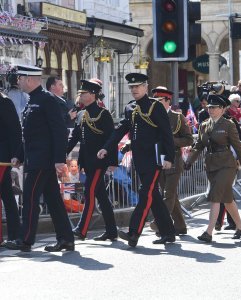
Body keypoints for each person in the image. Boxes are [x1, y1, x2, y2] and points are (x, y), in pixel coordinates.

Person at [97, 73, 176, 247]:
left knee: (145, 194)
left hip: (154, 159)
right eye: (131, 87)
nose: (134, 90)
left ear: (146, 87)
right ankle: (169, 232)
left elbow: (166, 133)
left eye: (138, 86)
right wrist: (106, 147)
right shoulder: (130, 108)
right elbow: (120, 130)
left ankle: (134, 232)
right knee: (153, 196)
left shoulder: (155, 106)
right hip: (139, 159)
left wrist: (169, 157)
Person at [5, 65, 74, 252]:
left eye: (20, 78)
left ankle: (25, 240)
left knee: (30, 198)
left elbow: (59, 131)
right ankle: (66, 238)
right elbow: (28, 134)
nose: (17, 81)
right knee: (53, 200)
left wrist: (59, 158)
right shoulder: (32, 100)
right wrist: (18, 155)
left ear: (29, 79)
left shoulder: (47, 100)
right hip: (35, 158)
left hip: (43, 160)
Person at [185, 94, 241, 242]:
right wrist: (189, 161)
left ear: (222, 109)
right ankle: (240, 227)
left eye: (214, 107)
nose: (211, 110)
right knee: (227, 199)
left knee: (215, 197)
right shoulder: (204, 125)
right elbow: (198, 146)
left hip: (227, 165)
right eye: (209, 107)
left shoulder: (229, 125)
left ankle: (208, 232)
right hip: (212, 165)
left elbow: (238, 147)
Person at [67, 79, 118, 241]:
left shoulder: (103, 114)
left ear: (93, 95)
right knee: (101, 196)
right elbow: (75, 138)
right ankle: (111, 230)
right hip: (87, 162)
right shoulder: (81, 114)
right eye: (80, 93)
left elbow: (112, 138)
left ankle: (82, 230)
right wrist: (61, 153)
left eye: (84, 93)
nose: (81, 95)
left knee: (89, 192)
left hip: (99, 162)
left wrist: (113, 162)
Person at [150, 86, 194, 236]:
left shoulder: (177, 117)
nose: (156, 103)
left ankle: (160, 223)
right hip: (158, 160)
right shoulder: (151, 117)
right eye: (154, 100)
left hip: (174, 160)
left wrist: (171, 141)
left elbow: (189, 139)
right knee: (171, 196)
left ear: (168, 101)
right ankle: (180, 226)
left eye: (159, 100)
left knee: (168, 194)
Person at [0, 91, 22, 246]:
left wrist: (15, 154)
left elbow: (15, 131)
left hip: (2, 155)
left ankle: (12, 235)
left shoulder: (5, 102)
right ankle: (15, 234)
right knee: (7, 194)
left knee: (6, 194)